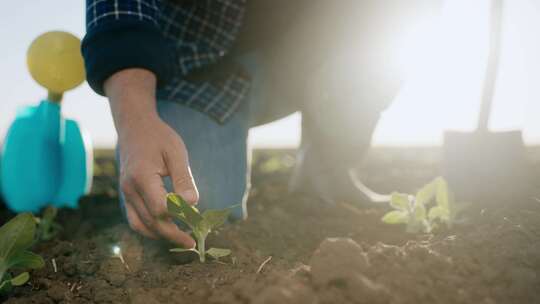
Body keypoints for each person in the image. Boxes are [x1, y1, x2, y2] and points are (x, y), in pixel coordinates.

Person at [82, 0, 440, 249]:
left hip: (299, 63)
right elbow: (122, 6)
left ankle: (327, 168)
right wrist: (137, 120)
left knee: (385, 36)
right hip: (191, 68)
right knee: (187, 216)